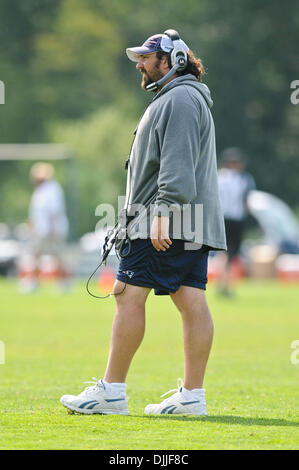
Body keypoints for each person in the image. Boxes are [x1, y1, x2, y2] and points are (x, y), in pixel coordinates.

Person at [60, 30, 226, 416]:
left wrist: (163, 214)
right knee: (190, 298)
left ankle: (112, 392)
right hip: (186, 221)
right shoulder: (177, 96)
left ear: (172, 61)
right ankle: (192, 397)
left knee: (127, 295)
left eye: (147, 57)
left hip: (164, 221)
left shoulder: (181, 99)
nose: (140, 64)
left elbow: (177, 166)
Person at [20, 162, 69, 292]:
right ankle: (34, 281)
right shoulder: (41, 190)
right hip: (42, 229)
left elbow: (54, 211)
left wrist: (52, 229)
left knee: (56, 256)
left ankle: (63, 282)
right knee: (38, 255)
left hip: (50, 230)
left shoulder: (52, 189)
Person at [217, 147, 256, 297]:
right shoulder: (244, 179)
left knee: (223, 253)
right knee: (231, 254)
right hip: (236, 219)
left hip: (221, 218)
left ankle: (222, 282)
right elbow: (247, 202)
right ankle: (226, 284)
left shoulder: (218, 176)